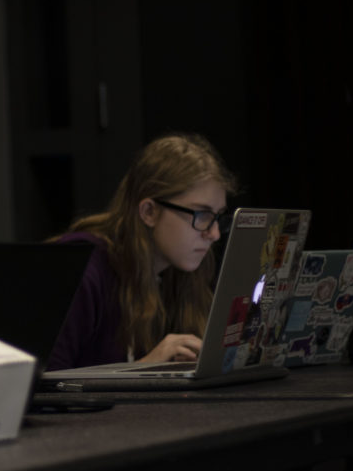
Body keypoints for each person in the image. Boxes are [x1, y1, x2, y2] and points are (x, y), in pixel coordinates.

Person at [46, 133, 237, 371]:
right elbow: (43, 388)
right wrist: (145, 367)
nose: (215, 233)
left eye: (218, 216)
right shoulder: (82, 268)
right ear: (149, 212)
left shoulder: (183, 269)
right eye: (201, 215)